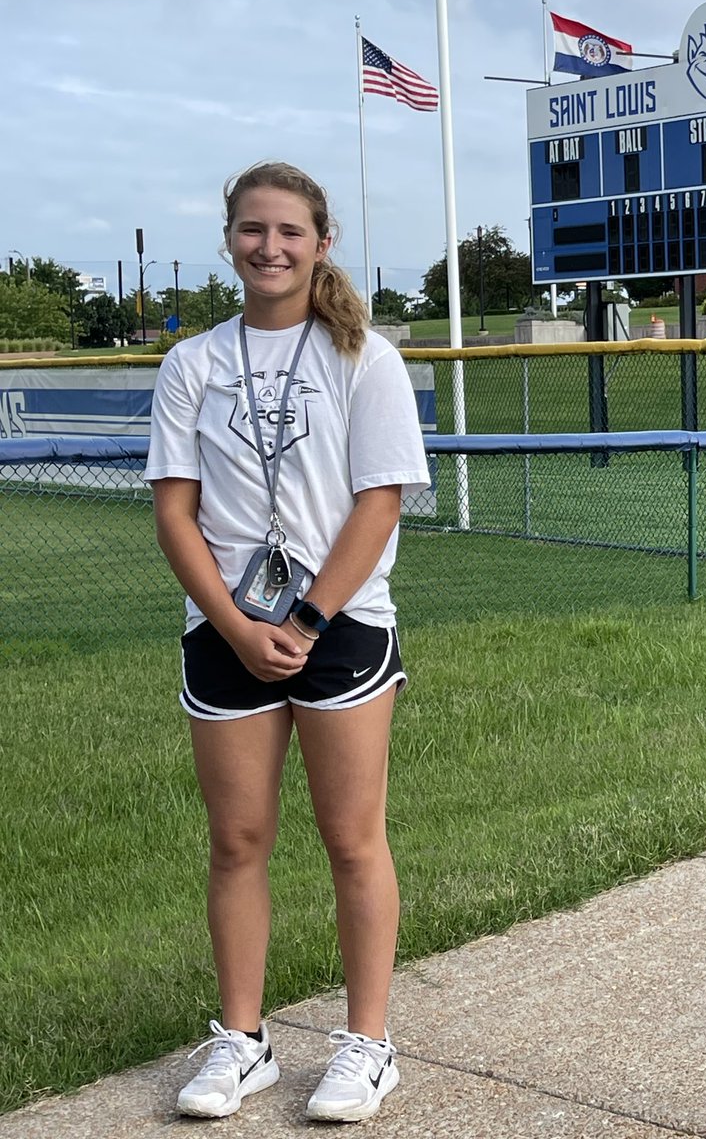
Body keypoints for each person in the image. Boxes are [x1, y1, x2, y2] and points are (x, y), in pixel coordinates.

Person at [144, 161, 430, 1123]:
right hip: (226, 627)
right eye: (251, 230)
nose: (269, 247)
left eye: (289, 232)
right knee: (237, 840)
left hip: (339, 626)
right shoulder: (193, 363)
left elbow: (379, 501)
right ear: (228, 239)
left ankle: (367, 1044)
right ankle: (242, 1039)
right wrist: (235, 622)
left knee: (351, 839)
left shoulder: (363, 357)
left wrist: (305, 620)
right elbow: (175, 513)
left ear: (322, 242)